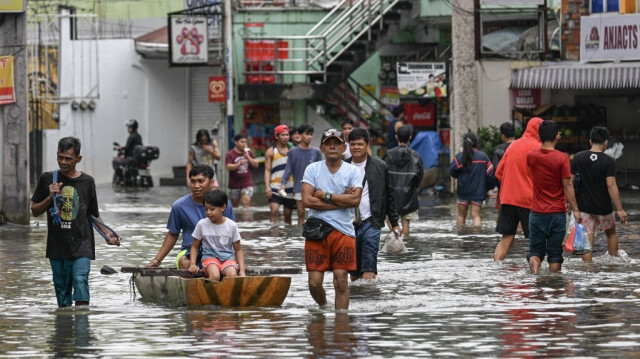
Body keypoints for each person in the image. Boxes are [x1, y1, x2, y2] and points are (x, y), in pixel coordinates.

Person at [31, 137, 121, 308]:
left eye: (68, 159)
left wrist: (108, 235)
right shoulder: (47, 179)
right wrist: (50, 196)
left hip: (82, 243)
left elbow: (93, 215)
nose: (63, 162)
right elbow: (35, 211)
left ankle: (82, 329)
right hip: (57, 246)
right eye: (60, 157)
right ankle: (64, 331)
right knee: (62, 292)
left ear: (78, 159)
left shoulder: (87, 182)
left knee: (80, 280)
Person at [301, 128, 363, 310]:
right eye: (328, 143)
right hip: (316, 231)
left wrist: (325, 196)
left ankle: (341, 327)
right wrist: (340, 202)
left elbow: (355, 200)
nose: (332, 146)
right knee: (314, 283)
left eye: (336, 143)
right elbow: (306, 200)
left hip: (344, 232)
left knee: (341, 281)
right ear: (321, 148)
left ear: (344, 148)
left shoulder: (352, 171)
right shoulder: (312, 169)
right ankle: (323, 307)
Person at [147, 165, 235, 269]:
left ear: (211, 183)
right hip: (189, 251)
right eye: (193, 181)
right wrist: (157, 260)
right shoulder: (179, 206)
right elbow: (172, 234)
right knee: (185, 263)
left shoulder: (224, 204)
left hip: (218, 251)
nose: (196, 186)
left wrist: (235, 262)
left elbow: (232, 234)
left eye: (201, 181)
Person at [526, 120, 581, 274]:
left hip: (536, 213)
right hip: (557, 213)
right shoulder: (562, 158)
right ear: (557, 136)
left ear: (540, 136)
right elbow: (567, 186)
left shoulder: (531, 156)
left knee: (535, 252)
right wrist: (576, 209)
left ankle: (535, 277)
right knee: (555, 256)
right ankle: (554, 288)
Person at [346, 128, 401, 281]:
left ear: (367, 145)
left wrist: (395, 223)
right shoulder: (342, 167)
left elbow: (388, 195)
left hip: (372, 221)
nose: (356, 147)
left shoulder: (380, 166)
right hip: (347, 224)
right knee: (354, 271)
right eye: (353, 144)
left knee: (370, 264)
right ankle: (358, 299)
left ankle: (370, 297)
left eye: (360, 144)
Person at [571, 126, 628, 261]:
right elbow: (611, 185)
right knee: (611, 234)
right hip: (604, 207)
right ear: (606, 143)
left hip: (584, 206)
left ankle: (587, 268)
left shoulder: (578, 158)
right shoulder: (608, 161)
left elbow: (570, 183)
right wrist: (619, 208)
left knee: (587, 236)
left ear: (590, 141)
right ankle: (613, 263)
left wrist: (572, 205)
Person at [493, 117, 543, 261]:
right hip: (528, 200)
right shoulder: (539, 148)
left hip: (507, 199)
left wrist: (512, 184)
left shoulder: (513, 146)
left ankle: (496, 268)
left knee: (507, 238)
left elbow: (498, 173)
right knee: (536, 241)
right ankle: (538, 277)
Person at [189, 190, 245, 281]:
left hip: (228, 258)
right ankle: (210, 294)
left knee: (232, 275)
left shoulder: (232, 225)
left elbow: (238, 250)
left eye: (212, 209)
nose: (208, 213)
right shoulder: (202, 224)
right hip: (209, 258)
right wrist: (192, 264)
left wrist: (242, 271)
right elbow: (194, 246)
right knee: (215, 276)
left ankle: (227, 295)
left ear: (223, 207)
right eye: (206, 209)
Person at [385, 125, 424, 237]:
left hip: (391, 195)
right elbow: (420, 176)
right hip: (409, 196)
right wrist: (413, 187)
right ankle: (404, 245)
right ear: (410, 137)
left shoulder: (388, 155)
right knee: (406, 224)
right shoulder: (415, 156)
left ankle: (397, 240)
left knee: (392, 220)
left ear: (396, 137)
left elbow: (383, 174)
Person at [281, 124, 323, 226]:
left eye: (311, 134)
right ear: (300, 135)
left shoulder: (316, 152)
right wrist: (283, 184)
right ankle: (301, 237)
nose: (309, 137)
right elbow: (288, 169)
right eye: (307, 134)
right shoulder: (293, 152)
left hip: (315, 188)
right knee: (301, 213)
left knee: (314, 214)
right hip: (299, 187)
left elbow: (321, 170)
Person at [450, 132, 494, 227]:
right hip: (478, 192)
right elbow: (491, 175)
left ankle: (461, 238)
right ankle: (476, 238)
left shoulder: (459, 157)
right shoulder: (483, 157)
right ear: (476, 143)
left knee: (461, 216)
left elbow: (452, 171)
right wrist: (486, 187)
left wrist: (460, 177)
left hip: (463, 191)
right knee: (476, 216)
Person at [264, 125, 297, 224]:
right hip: (275, 187)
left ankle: (286, 237)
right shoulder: (270, 151)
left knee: (288, 215)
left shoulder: (294, 150)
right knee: (274, 211)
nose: (286, 137)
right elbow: (267, 170)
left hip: (290, 187)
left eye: (287, 135)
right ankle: (274, 236)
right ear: (277, 136)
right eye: (283, 135)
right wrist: (267, 186)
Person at [225, 134, 259, 208]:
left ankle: (247, 219)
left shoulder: (249, 152)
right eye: (242, 142)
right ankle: (237, 219)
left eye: (245, 142)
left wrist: (248, 157)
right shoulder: (230, 154)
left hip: (247, 183)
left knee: (246, 202)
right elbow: (228, 167)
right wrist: (239, 164)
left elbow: (256, 164)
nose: (244, 144)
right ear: (236, 142)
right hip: (234, 184)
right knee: (234, 206)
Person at [492, 122, 516, 209]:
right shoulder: (521, 146)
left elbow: (497, 171)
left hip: (504, 188)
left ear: (503, 135)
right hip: (520, 187)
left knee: (503, 215)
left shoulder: (499, 150)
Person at [112, 119, 143, 183]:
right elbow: (132, 147)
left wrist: (124, 155)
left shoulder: (131, 137)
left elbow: (127, 148)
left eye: (128, 127)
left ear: (131, 128)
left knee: (114, 161)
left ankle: (121, 179)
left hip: (131, 159)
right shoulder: (138, 136)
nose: (128, 129)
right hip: (138, 159)